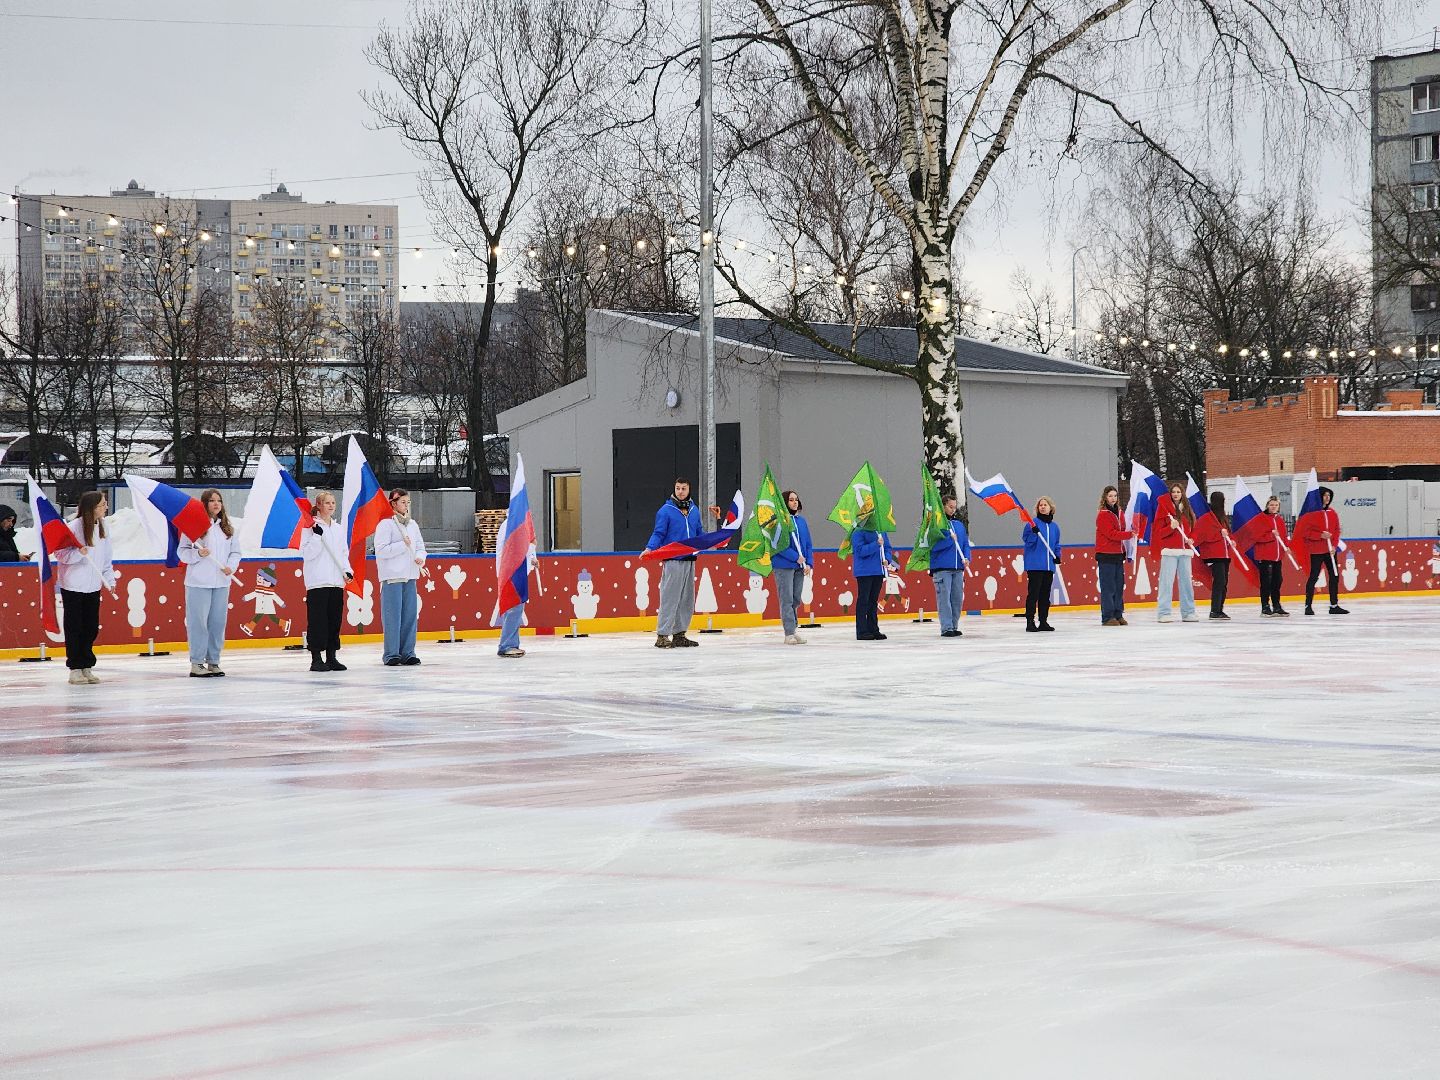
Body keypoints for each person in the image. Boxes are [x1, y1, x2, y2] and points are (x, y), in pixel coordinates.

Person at [177, 489, 242, 677]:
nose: (216, 504)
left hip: (222, 582)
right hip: (198, 582)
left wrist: (231, 566)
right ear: (204, 504)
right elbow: (182, 552)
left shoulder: (227, 529)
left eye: (219, 500)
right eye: (212, 500)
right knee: (198, 623)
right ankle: (197, 662)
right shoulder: (194, 528)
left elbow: (235, 552)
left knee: (217, 622)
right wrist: (197, 554)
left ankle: (214, 660)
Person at [54, 491, 116, 685]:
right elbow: (61, 554)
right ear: (92, 508)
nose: (105, 507)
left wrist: (110, 580)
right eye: (102, 504)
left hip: (93, 586)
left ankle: (87, 665)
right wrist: (79, 553)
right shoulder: (73, 527)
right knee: (75, 627)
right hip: (73, 585)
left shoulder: (103, 528)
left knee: (90, 627)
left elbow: (106, 559)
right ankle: (75, 667)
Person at [641, 478, 709, 649]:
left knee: (686, 599)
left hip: (690, 559)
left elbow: (699, 533)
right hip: (673, 560)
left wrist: (716, 540)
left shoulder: (694, 510)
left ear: (689, 489)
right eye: (678, 488)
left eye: (683, 488)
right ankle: (662, 635)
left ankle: (680, 634)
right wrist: (650, 548)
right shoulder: (666, 511)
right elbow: (659, 533)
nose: (680, 491)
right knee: (670, 598)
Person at [299, 491, 352, 672]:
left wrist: (347, 571)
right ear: (319, 505)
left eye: (333, 503)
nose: (331, 506)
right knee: (318, 621)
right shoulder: (310, 528)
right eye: (327, 503)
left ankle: (331, 656)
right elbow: (307, 554)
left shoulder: (338, 529)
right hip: (318, 582)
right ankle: (316, 658)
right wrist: (316, 536)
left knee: (333, 620)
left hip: (336, 582)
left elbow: (343, 554)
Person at [374, 488, 427, 666]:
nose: (406, 505)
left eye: (408, 502)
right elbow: (381, 551)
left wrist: (421, 557)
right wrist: (401, 546)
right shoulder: (385, 524)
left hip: (410, 575)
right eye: (403, 502)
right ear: (393, 504)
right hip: (392, 577)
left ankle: (408, 651)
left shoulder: (412, 525)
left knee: (410, 616)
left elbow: (420, 545)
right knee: (392, 617)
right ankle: (391, 653)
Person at [1296, 485, 1349, 615]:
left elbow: (1336, 530)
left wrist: (1334, 546)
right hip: (1316, 551)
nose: (1327, 498)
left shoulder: (1332, 513)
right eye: (1325, 495)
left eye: (1329, 496)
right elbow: (1305, 532)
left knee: (1334, 576)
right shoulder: (1311, 514)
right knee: (1313, 577)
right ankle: (1308, 605)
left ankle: (1334, 605)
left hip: (1330, 550)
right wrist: (1319, 535)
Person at [1151, 483, 1198, 624]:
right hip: (1170, 551)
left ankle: (1188, 612)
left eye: (1178, 491)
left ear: (1182, 493)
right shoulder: (1164, 510)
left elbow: (1194, 528)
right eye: (1173, 492)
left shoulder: (1187, 510)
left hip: (1185, 551)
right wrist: (1170, 528)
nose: (1176, 494)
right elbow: (1158, 533)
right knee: (1166, 582)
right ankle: (1164, 613)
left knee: (1186, 583)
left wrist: (1192, 538)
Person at [771, 489, 814, 645]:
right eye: (791, 500)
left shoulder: (801, 521)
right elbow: (778, 546)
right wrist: (796, 557)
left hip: (800, 566)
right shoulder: (779, 522)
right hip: (784, 566)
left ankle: (793, 629)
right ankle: (789, 632)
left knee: (796, 599)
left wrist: (808, 562)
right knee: (787, 598)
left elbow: (808, 543)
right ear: (784, 502)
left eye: (796, 499)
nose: (794, 502)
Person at [929, 492, 972, 638]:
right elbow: (933, 546)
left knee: (957, 598)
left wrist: (967, 557)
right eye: (950, 507)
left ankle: (954, 625)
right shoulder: (936, 525)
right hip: (942, 568)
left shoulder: (958, 525)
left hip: (957, 568)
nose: (953, 510)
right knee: (944, 598)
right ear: (943, 507)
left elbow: (965, 544)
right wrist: (949, 538)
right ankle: (946, 627)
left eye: (954, 507)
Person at [1094, 485, 1133, 626]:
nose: (1113, 498)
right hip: (1106, 555)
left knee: (1118, 586)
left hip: (1118, 554)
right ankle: (1107, 616)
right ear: (1105, 497)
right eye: (1110, 496)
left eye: (1115, 496)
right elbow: (1111, 534)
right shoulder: (1103, 514)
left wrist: (1131, 531)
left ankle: (1118, 613)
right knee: (1108, 587)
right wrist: (1129, 535)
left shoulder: (1119, 512)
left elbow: (1123, 528)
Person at [1022, 497, 1061, 632]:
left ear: (1051, 507)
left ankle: (1043, 621)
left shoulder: (1055, 527)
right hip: (1035, 564)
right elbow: (1028, 542)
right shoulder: (1032, 524)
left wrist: (1057, 556)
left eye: (1045, 505)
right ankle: (1030, 621)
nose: (1043, 507)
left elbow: (1056, 544)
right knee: (1033, 594)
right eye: (1040, 505)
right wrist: (1033, 534)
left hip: (1048, 565)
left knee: (1045, 594)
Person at [851, 523, 896, 640]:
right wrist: (876, 544)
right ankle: (862, 630)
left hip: (878, 570)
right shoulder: (858, 531)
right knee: (863, 600)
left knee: (873, 601)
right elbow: (860, 550)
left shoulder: (880, 530)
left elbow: (887, 548)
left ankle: (873, 628)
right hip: (864, 571)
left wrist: (887, 558)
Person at [1194, 490, 1232, 621]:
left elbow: (1227, 533)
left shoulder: (1222, 518)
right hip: (1213, 555)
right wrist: (1218, 535)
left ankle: (1219, 609)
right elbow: (1202, 536)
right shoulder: (1206, 518)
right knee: (1219, 582)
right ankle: (1215, 610)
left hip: (1224, 554)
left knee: (1224, 583)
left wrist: (1230, 540)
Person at [1252, 495, 1291, 617]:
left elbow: (1283, 536)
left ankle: (1277, 605)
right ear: (1267, 506)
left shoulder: (1279, 520)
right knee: (1266, 582)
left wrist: (1287, 546)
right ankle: (1265, 606)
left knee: (1277, 581)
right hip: (1265, 556)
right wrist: (1270, 535)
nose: (1274, 507)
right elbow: (1256, 537)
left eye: (1276, 505)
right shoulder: (1260, 519)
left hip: (1277, 556)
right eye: (1271, 505)